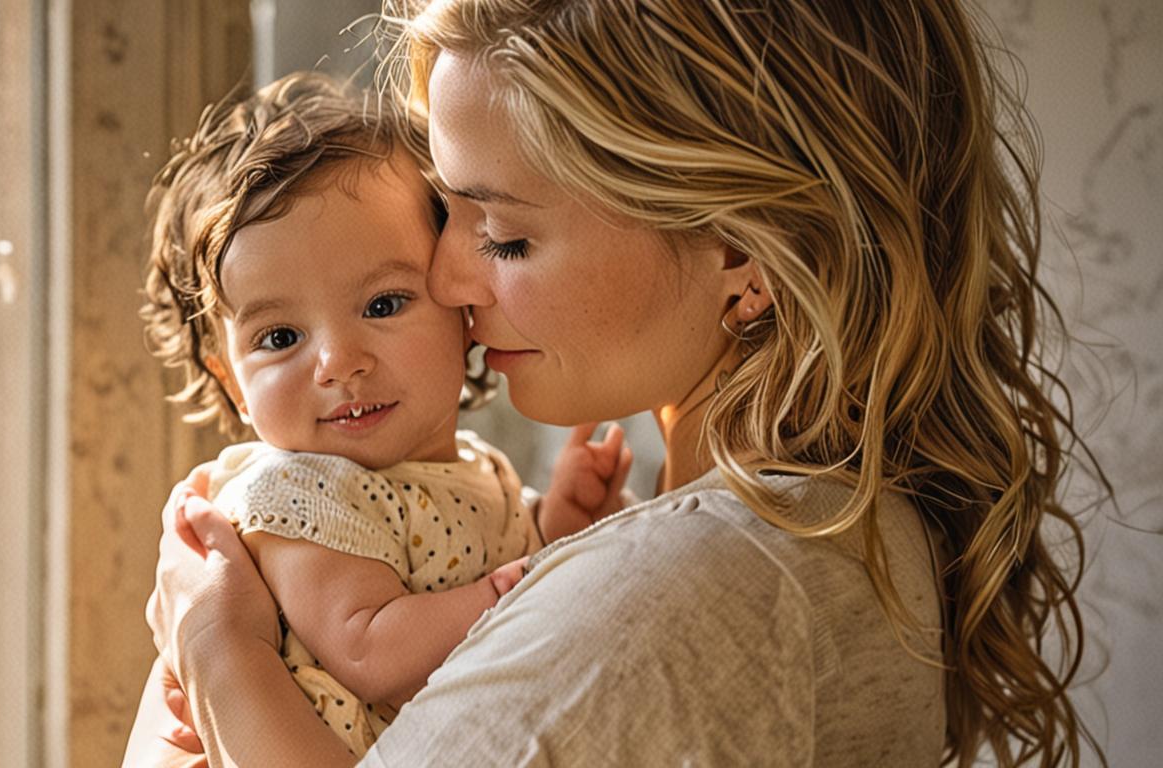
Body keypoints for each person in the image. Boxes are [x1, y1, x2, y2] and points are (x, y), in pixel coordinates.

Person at [129, 1, 1104, 765]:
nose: (446, 280)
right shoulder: (820, 529)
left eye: (504, 234)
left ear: (744, 254)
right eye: (445, 217)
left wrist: (217, 648)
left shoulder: (689, 591)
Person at [136, 71, 634, 758]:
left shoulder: (475, 469)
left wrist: (557, 525)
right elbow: (367, 646)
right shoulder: (295, 494)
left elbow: (482, 555)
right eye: (280, 338)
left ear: (459, 305)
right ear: (231, 379)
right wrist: (517, 590)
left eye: (383, 305)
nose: (339, 362)